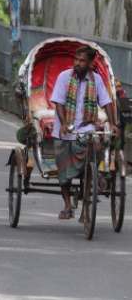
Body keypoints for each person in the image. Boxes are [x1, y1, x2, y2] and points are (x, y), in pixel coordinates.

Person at [50, 45, 119, 220]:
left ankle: (94, 183)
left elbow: (107, 103)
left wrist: (113, 124)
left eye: (82, 61)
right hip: (66, 129)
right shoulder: (64, 77)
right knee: (63, 164)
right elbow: (59, 102)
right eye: (76, 60)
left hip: (86, 127)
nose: (78, 63)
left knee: (99, 144)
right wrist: (64, 123)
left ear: (90, 63)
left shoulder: (96, 80)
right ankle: (67, 205)